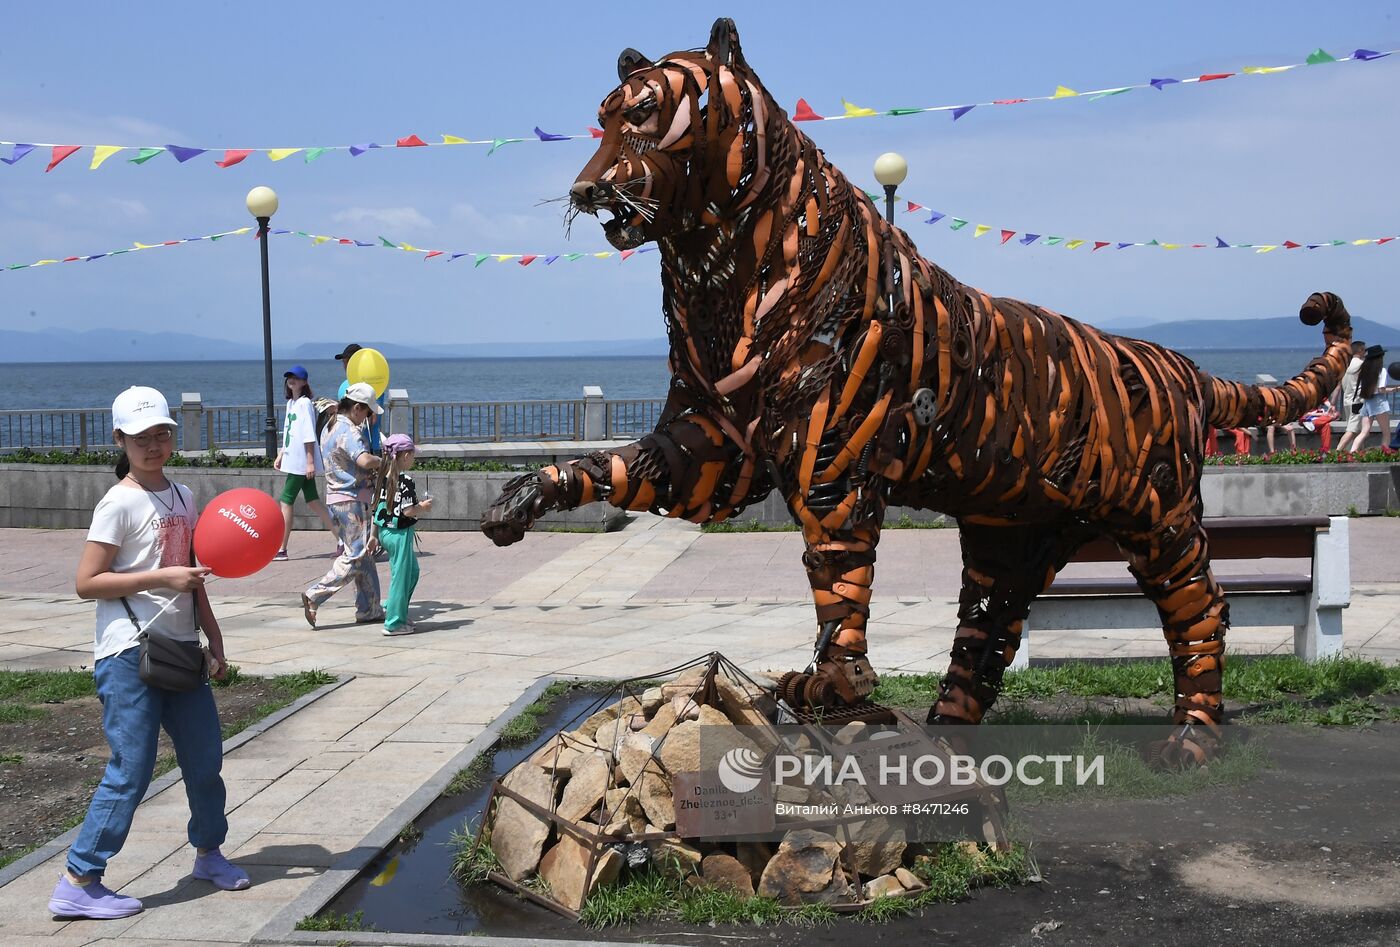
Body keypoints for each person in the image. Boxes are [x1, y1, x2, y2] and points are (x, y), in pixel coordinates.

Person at [49, 386, 249, 921]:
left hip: (182, 650)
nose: (155, 444)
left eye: (162, 433)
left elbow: (196, 577)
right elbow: (86, 582)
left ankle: (209, 854)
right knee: (131, 769)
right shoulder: (118, 501)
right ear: (120, 440)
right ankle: (79, 878)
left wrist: (215, 637)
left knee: (205, 762)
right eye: (142, 437)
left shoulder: (184, 496)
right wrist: (162, 576)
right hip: (127, 655)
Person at [301, 383, 384, 627]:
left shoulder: (331, 424)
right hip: (351, 500)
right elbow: (364, 459)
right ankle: (315, 594)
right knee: (356, 554)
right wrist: (385, 460)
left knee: (365, 557)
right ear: (357, 408)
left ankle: (369, 609)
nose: (368, 418)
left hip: (335, 498)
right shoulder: (349, 430)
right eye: (367, 412)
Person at [272, 365, 335, 561]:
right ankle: (342, 539)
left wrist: (309, 463)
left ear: (304, 382)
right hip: (293, 459)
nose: (292, 381)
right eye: (289, 377)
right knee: (313, 501)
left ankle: (282, 548)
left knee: (286, 500)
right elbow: (289, 431)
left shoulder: (305, 403)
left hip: (300, 462)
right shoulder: (292, 403)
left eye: (296, 378)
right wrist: (282, 453)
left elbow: (308, 434)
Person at [374, 434, 433, 635]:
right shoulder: (405, 481)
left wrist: (374, 536)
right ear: (405, 455)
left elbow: (376, 508)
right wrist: (423, 507)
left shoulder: (382, 477)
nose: (414, 460)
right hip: (400, 534)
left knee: (411, 573)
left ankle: (398, 611)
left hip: (385, 532)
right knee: (400, 577)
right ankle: (394, 622)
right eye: (413, 456)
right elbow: (408, 511)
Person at [334, 344, 386, 452]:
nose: (345, 366)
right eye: (344, 362)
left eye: (348, 362)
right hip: (347, 444)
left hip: (370, 446)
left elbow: (373, 419)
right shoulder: (344, 386)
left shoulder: (373, 387)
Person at [1351, 345, 1397, 451]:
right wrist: (1395, 389)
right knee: (1386, 432)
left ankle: (1351, 453)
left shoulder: (1365, 370)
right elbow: (1381, 390)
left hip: (1367, 402)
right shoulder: (1382, 370)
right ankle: (1385, 453)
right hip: (1379, 402)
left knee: (1364, 432)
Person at [1334, 341, 1367, 453]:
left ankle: (1357, 453)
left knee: (1357, 429)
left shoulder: (1346, 365)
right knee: (1352, 430)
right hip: (1357, 401)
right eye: (1364, 350)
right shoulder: (1361, 365)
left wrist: (1333, 403)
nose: (1365, 353)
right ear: (1360, 350)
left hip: (1347, 401)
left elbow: (1338, 385)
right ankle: (1336, 452)